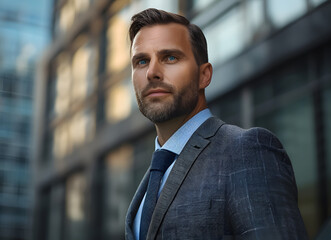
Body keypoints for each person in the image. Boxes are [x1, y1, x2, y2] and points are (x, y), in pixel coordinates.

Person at [124, 8, 308, 240]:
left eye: (170, 57)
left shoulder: (246, 151)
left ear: (204, 75)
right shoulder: (148, 184)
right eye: (141, 61)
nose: (152, 72)